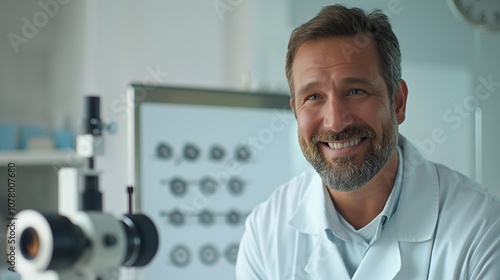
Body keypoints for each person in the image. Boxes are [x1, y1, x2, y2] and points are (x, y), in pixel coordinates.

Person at [235, 4, 500, 280]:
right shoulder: (266, 231)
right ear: (295, 111)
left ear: (398, 102)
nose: (336, 122)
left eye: (355, 91)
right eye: (313, 97)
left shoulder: (483, 229)